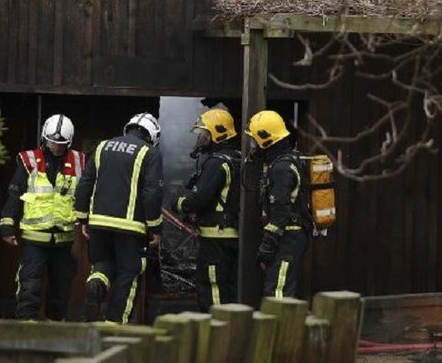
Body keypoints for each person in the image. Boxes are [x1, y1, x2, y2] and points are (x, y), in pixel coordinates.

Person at [74, 112, 164, 324]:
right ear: (152, 135)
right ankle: (114, 325)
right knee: (128, 275)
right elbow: (152, 193)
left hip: (98, 225)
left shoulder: (102, 146)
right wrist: (155, 227)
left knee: (102, 264)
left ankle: (96, 283)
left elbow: (85, 184)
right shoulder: (150, 153)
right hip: (131, 229)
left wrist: (83, 218)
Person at [0, 114, 85, 320]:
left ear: (69, 142)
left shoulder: (78, 161)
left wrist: (86, 221)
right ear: (44, 138)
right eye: (52, 142)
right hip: (34, 240)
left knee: (61, 290)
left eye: (60, 144)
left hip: (64, 241)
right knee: (30, 287)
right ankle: (25, 328)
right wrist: (7, 226)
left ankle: (55, 329)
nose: (55, 147)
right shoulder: (29, 161)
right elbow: (15, 193)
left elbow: (86, 194)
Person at [173, 108, 242, 310]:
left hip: (216, 241)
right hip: (232, 236)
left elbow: (199, 199)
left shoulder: (217, 163)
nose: (202, 139)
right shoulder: (237, 158)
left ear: (218, 134)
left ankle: (216, 331)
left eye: (206, 134)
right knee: (229, 287)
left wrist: (178, 203)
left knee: (213, 286)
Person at [245, 110, 311, 298]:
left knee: (278, 291)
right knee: (277, 285)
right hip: (289, 236)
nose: (254, 146)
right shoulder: (282, 162)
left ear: (266, 140)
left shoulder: (281, 169)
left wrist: (268, 245)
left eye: (255, 140)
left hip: (288, 237)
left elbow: (280, 212)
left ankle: (281, 328)